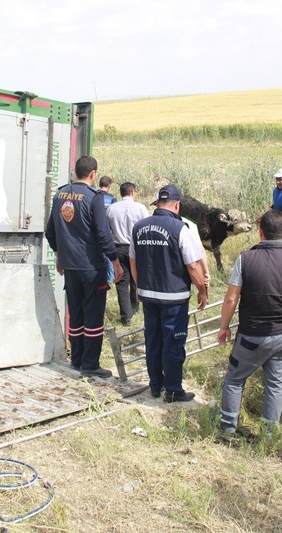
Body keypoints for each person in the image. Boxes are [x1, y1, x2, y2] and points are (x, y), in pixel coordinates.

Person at [218, 209, 282, 437]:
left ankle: (228, 429)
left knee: (235, 379)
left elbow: (231, 298)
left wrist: (223, 327)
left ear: (260, 233)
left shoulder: (246, 259)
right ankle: (269, 435)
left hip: (251, 334)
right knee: (276, 382)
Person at [45, 156, 123, 378]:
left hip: (70, 267)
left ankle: (77, 360)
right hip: (91, 267)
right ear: (93, 174)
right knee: (93, 317)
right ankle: (90, 364)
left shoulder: (60, 194)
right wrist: (115, 262)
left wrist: (60, 255)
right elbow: (103, 234)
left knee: (76, 314)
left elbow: (50, 232)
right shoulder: (94, 198)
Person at [130, 185, 208, 402]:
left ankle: (155, 385)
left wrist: (138, 286)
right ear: (177, 205)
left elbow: (133, 260)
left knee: (153, 340)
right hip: (173, 297)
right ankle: (173, 390)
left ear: (157, 204)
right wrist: (202, 290)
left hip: (148, 294)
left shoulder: (139, 227)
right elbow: (192, 266)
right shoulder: (179, 228)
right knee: (173, 342)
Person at [106, 182, 149, 326]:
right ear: (132, 192)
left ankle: (126, 315)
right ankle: (134, 307)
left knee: (121, 281)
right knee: (136, 278)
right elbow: (147, 228)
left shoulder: (111, 209)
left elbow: (107, 229)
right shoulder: (140, 208)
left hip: (118, 247)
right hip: (136, 246)